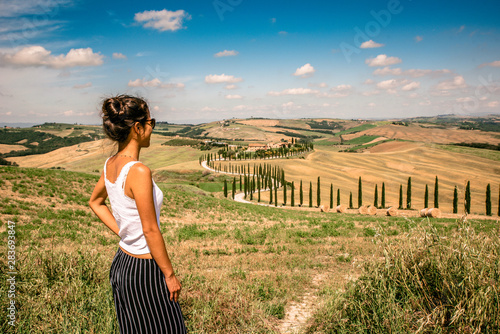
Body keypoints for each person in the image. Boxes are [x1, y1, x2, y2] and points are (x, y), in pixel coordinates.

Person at [89, 95, 186, 333]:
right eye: (151, 122)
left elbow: (95, 202)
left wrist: (123, 232)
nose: (152, 128)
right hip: (145, 269)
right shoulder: (139, 171)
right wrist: (170, 275)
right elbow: (150, 229)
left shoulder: (110, 163)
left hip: (122, 263)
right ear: (138, 128)